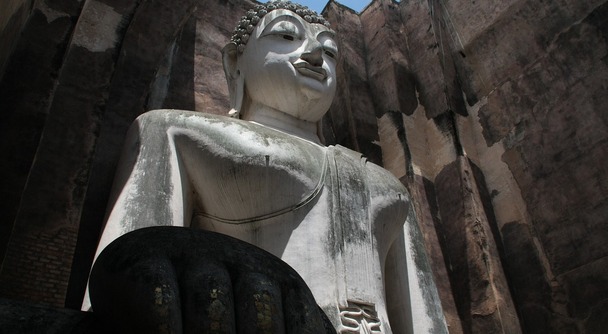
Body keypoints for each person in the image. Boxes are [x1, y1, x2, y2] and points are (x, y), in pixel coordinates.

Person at [87, 2, 446, 333]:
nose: (317, 54)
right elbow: (129, 273)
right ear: (235, 63)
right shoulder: (177, 132)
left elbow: (423, 319)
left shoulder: (385, 184)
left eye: (331, 51)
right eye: (286, 35)